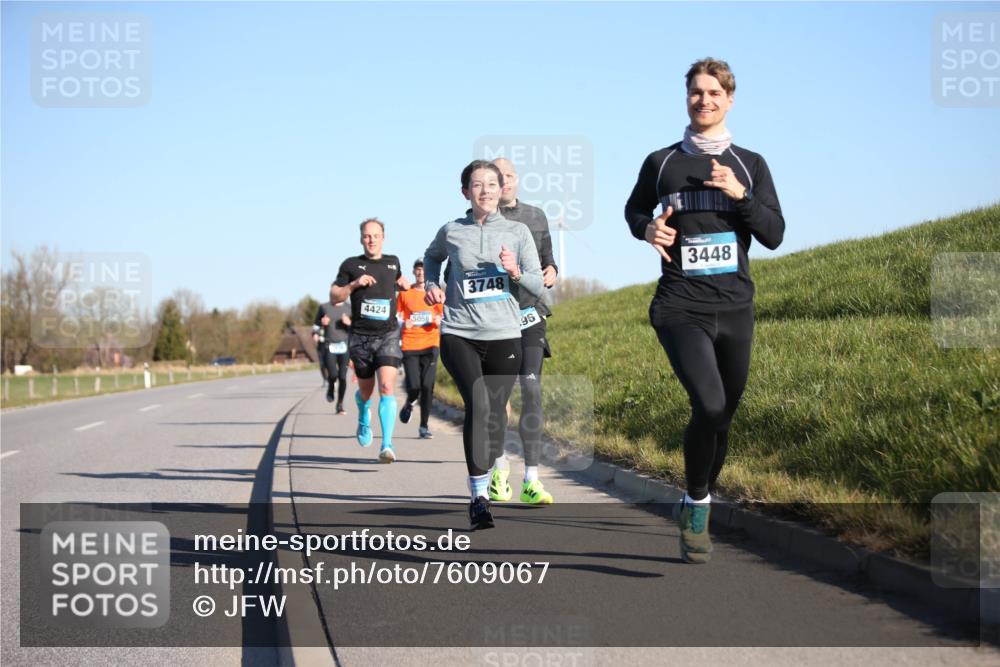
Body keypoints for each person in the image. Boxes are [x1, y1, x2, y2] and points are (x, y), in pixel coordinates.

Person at [624, 58, 784, 563]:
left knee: (724, 416)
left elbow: (774, 235)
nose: (704, 100)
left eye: (714, 93)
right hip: (679, 304)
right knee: (709, 405)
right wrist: (648, 229)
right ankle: (696, 503)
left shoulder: (749, 164)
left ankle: (701, 492)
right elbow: (633, 211)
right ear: (686, 98)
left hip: (735, 306)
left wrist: (742, 198)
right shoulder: (662, 162)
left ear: (730, 100)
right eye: (696, 92)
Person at [424, 160, 544, 529]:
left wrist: (515, 272)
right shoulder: (451, 231)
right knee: (477, 404)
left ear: (501, 189)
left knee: (494, 416)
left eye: (492, 183)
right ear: (466, 192)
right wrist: (431, 283)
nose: (486, 190)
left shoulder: (519, 232)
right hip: (459, 332)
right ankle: (477, 497)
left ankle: (490, 462)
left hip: (505, 334)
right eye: (478, 184)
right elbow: (432, 257)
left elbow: (537, 286)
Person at [488, 157, 559, 505]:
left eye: (509, 176)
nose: (503, 181)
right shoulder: (479, 223)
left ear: (516, 180)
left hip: (532, 314)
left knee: (531, 389)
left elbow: (549, 259)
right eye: (496, 177)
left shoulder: (536, 216)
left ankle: (532, 478)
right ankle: (500, 469)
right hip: (495, 322)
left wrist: (551, 271)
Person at [331, 219, 411, 463]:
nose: (372, 240)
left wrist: (403, 284)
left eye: (376, 235)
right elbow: (334, 295)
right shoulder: (351, 265)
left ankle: (387, 446)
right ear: (361, 239)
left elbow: (397, 280)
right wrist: (354, 284)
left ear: (383, 237)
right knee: (366, 392)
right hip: (361, 338)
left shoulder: (392, 261)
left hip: (387, 334)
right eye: (367, 236)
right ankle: (363, 412)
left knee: (387, 388)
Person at [396, 259, 444, 439]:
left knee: (427, 386)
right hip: (410, 344)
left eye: (423, 271)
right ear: (414, 272)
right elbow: (397, 315)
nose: (420, 274)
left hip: (431, 343)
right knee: (414, 385)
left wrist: (440, 320)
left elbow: (443, 313)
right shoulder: (405, 293)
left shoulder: (434, 292)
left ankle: (423, 426)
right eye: (417, 271)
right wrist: (403, 322)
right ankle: (409, 402)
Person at [312, 294, 352, 413]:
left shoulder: (349, 307)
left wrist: (349, 323)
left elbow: (357, 327)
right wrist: (316, 333)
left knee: (343, 377)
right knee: (333, 374)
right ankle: (330, 386)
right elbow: (315, 325)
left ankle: (340, 404)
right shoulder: (324, 307)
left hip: (345, 345)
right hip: (329, 345)